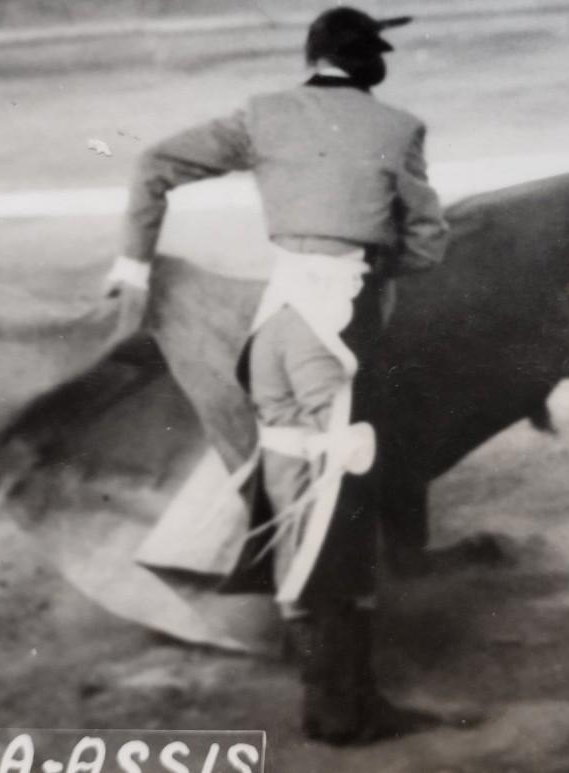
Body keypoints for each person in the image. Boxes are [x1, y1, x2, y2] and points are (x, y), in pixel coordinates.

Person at [105, 7, 451, 745]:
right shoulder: (398, 128)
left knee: (296, 504)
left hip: (275, 332)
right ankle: (345, 709)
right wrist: (377, 250)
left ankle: (324, 698)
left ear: (315, 57)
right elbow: (427, 245)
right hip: (336, 334)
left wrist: (133, 273)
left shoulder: (262, 115)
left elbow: (153, 166)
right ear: (368, 64)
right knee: (341, 514)